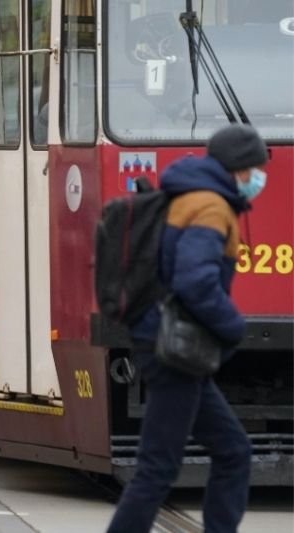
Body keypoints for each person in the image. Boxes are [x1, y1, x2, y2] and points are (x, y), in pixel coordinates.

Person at [107, 124, 267, 532]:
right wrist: (233, 325)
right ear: (239, 169)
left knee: (232, 451)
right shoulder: (210, 207)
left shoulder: (189, 194)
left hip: (168, 343)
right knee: (158, 467)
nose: (258, 180)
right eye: (255, 171)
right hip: (173, 349)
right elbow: (194, 281)